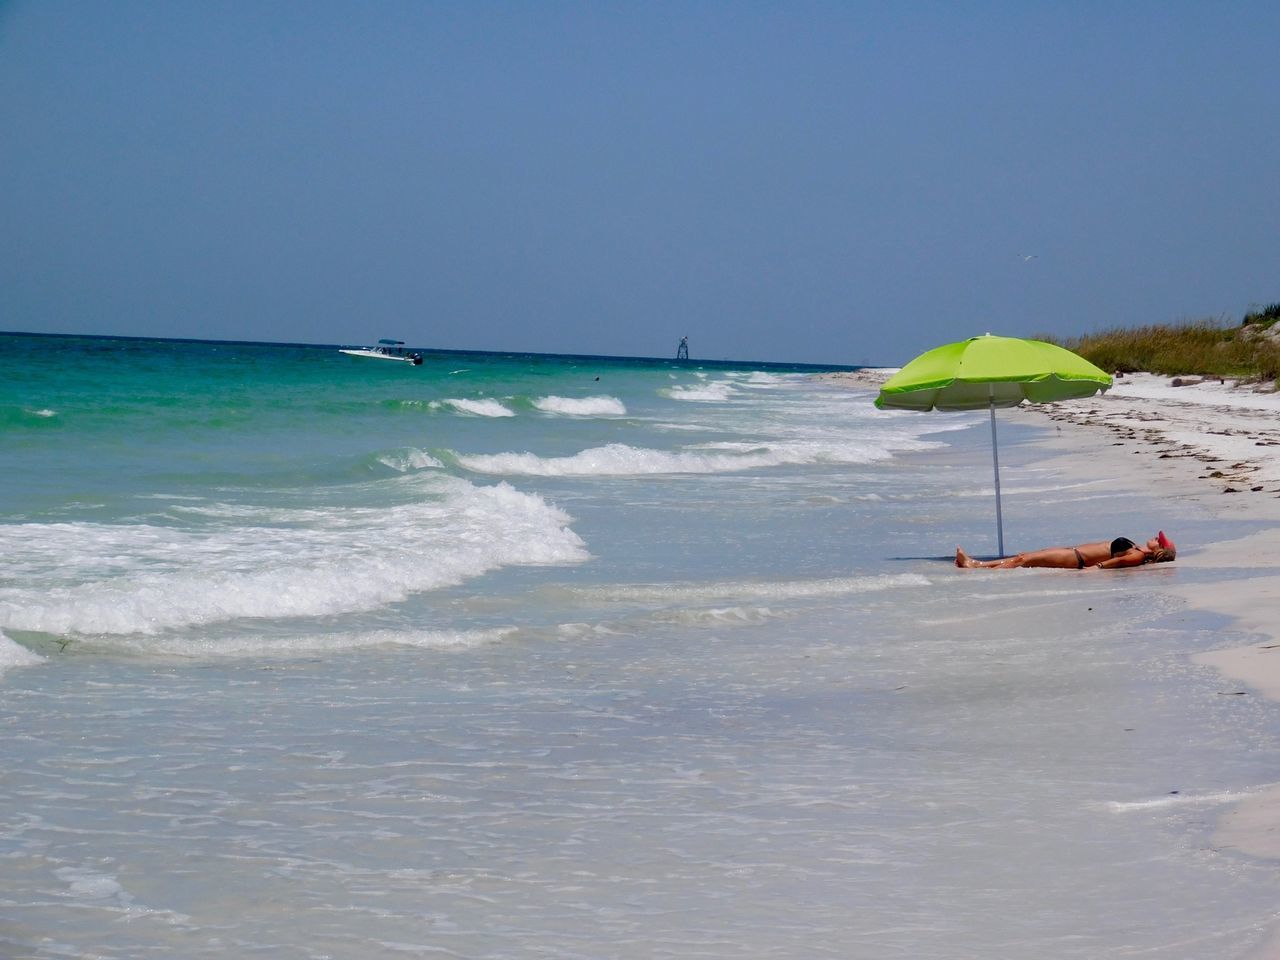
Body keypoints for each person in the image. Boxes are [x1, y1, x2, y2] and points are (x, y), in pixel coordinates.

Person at [955, 531, 1176, 570]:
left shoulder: (1138, 555)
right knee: (1025, 557)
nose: (1156, 538)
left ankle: (977, 568)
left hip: (1075, 558)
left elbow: (1115, 563)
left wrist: (1095, 568)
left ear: (1159, 550)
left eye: (1159, 540)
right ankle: (976, 565)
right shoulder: (1138, 550)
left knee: (1023, 559)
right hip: (1073, 553)